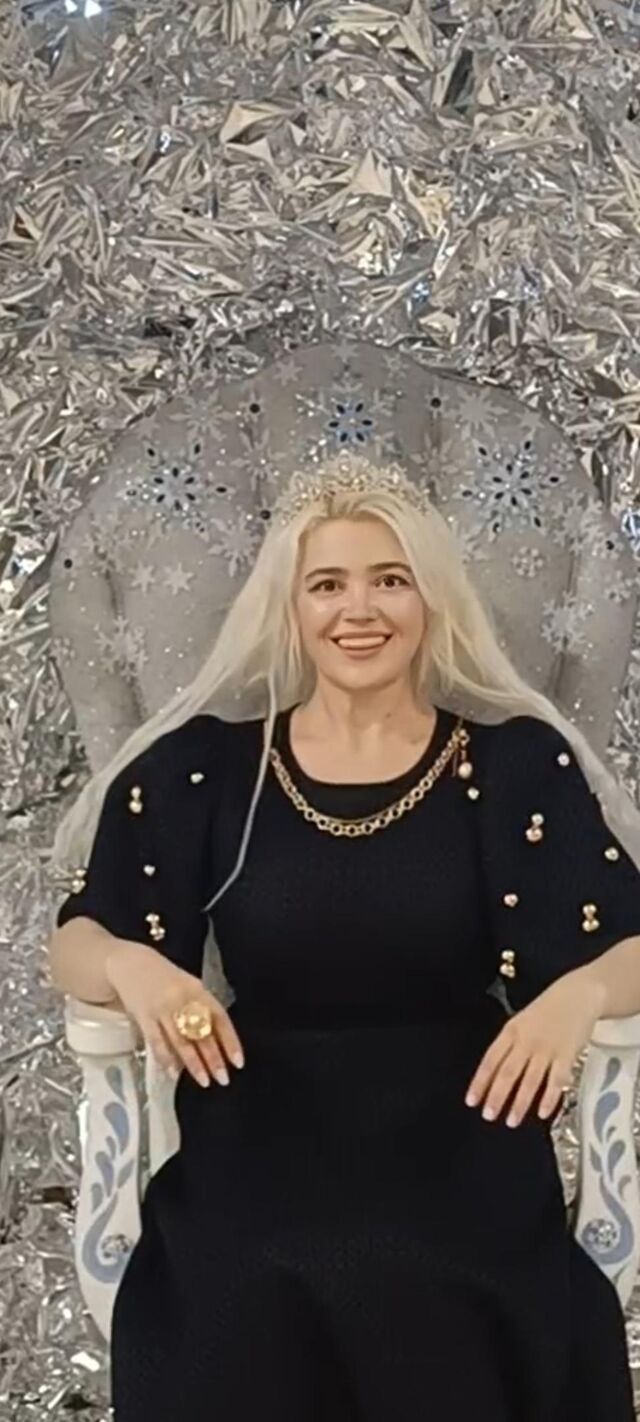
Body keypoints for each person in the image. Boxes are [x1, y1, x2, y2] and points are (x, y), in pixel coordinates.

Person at [48, 449, 640, 1422]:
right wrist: (131, 965)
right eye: (327, 584)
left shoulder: (509, 767)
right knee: (255, 1275)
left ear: (430, 598)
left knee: (428, 1267)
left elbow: (630, 942)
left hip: (461, 1117)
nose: (357, 610)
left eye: (389, 580)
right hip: (261, 1115)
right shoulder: (209, 770)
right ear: (289, 606)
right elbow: (76, 940)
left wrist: (577, 995)